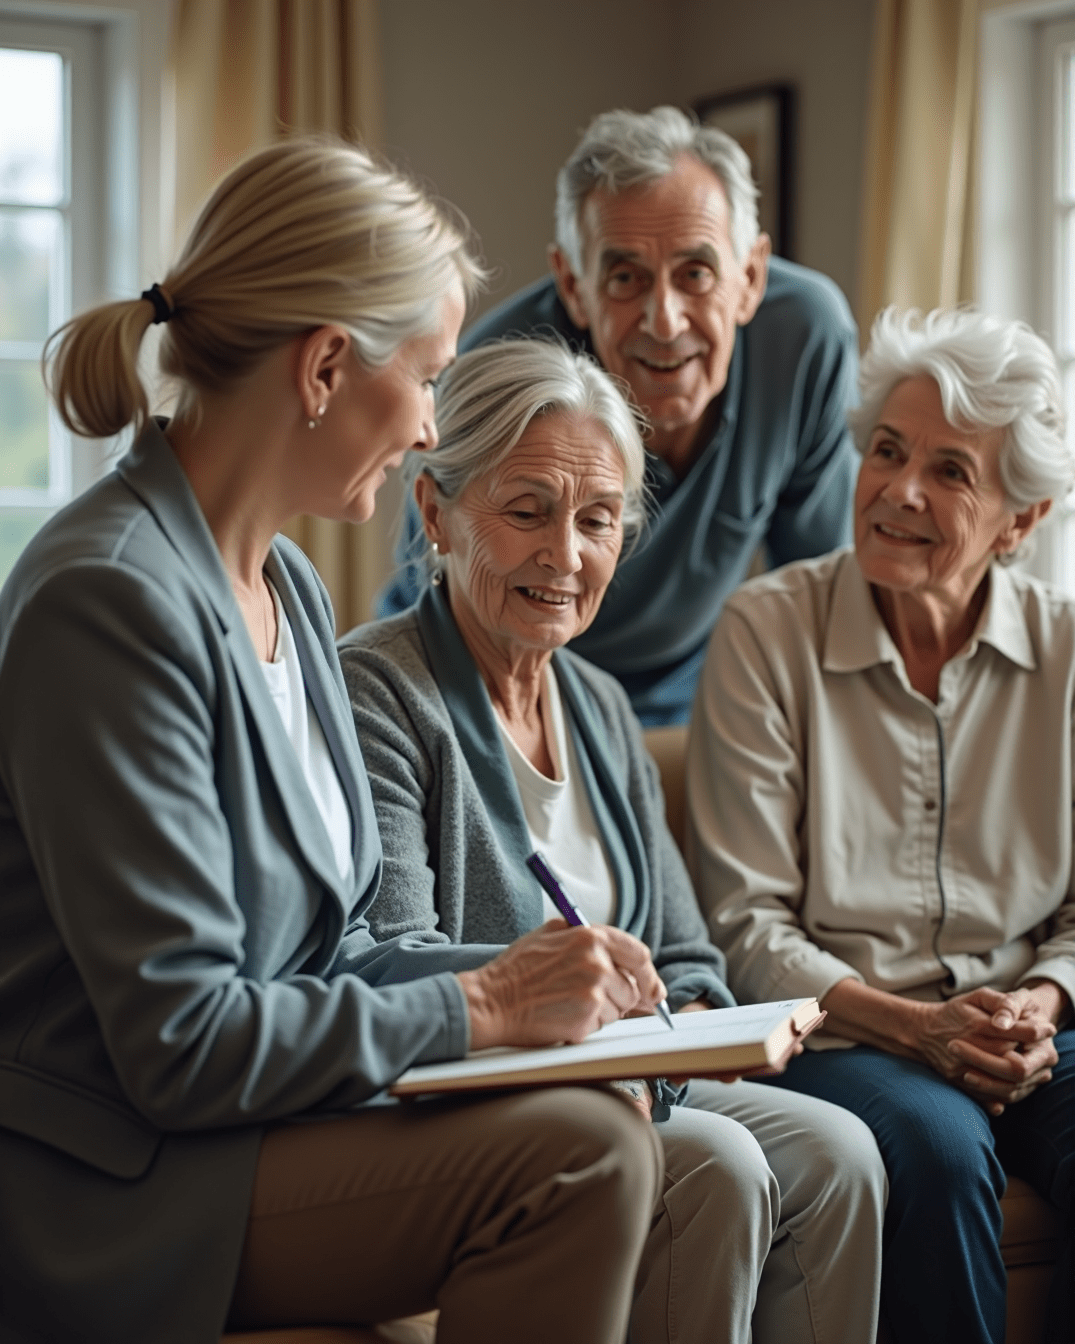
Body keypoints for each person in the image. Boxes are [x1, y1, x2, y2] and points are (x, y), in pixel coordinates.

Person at [0, 139, 675, 1344]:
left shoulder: (292, 589)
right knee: (579, 1158)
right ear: (323, 369)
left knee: (606, 1119)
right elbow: (183, 1041)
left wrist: (553, 994)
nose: (428, 428)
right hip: (122, 1182)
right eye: (426, 379)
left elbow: (340, 944)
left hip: (253, 1129)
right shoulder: (107, 599)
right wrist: (480, 1005)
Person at [339, 338, 888, 1344]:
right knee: (719, 1169)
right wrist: (589, 1030)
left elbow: (687, 957)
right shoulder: (375, 693)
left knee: (844, 1152)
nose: (566, 554)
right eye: (526, 510)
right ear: (434, 512)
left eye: (597, 520)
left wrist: (669, 1043)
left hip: (636, 1080)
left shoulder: (596, 703)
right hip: (479, 1097)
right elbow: (391, 961)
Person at [685, 306, 1075, 1344]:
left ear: (1020, 523)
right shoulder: (767, 631)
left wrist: (1038, 1002)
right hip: (846, 1027)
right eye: (887, 451)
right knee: (941, 1152)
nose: (899, 491)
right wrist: (923, 1031)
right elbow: (745, 926)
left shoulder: (1071, 652)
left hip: (1028, 1026)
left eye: (951, 472)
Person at [377, 105, 860, 726]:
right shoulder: (491, 372)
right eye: (626, 277)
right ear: (573, 284)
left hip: (692, 694)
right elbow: (435, 605)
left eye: (696, 273)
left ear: (750, 276)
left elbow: (816, 590)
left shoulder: (803, 341)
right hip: (503, 689)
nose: (665, 321)